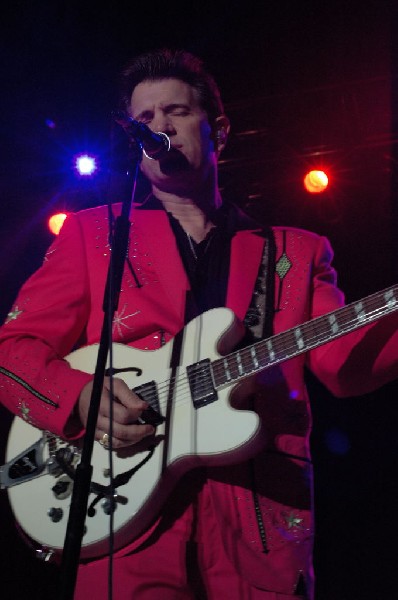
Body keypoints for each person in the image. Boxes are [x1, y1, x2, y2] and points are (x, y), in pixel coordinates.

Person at [1, 48, 398, 600]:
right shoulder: (96, 235)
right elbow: (13, 350)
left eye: (176, 111)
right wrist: (80, 396)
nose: (159, 126)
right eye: (144, 120)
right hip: (124, 514)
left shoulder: (294, 253)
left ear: (219, 129)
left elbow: (342, 366)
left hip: (260, 515)